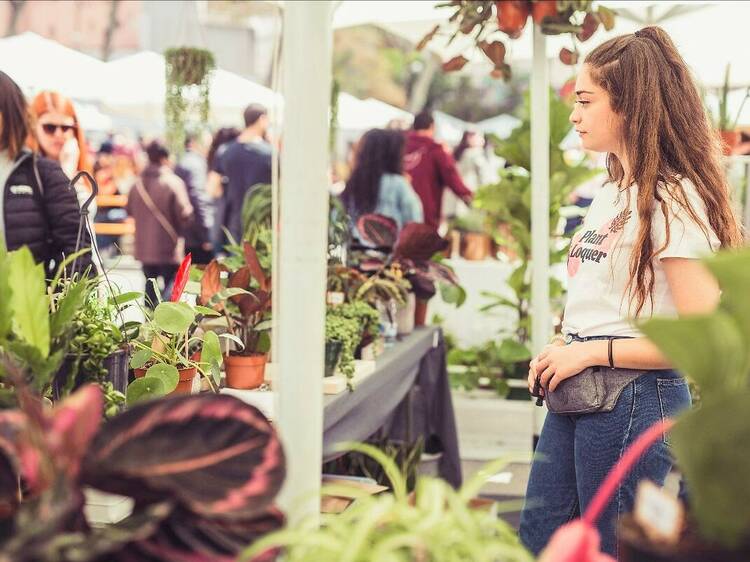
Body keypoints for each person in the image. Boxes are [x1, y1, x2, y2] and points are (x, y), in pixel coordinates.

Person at [519, 27, 742, 558]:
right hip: (582, 390)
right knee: (540, 542)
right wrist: (564, 343)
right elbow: (608, 302)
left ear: (630, 105)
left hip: (634, 397)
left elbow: (697, 339)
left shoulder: (673, 198)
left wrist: (590, 350)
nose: (574, 114)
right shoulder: (616, 188)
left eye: (585, 100)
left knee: (606, 547)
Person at [0, 72, 93, 277]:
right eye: (50, 127)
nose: (59, 134)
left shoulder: (43, 174)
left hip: (29, 303)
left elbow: (77, 249)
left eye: (67, 127)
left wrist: (59, 304)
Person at [126, 141, 193, 307]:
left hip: (144, 247)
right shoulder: (173, 182)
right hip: (168, 246)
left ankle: (148, 320)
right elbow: (185, 213)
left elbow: (129, 210)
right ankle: (165, 323)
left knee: (149, 283)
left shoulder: (137, 184)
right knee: (171, 285)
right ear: (165, 158)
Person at [341, 128, 423, 242]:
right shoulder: (398, 184)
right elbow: (415, 224)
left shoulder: (355, 184)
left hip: (356, 254)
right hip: (388, 256)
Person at [207, 105, 272, 245]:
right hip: (263, 226)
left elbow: (213, 189)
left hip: (233, 225)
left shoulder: (225, 151)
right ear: (262, 119)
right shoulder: (270, 153)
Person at [403, 111, 473, 230]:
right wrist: (469, 196)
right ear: (432, 127)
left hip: (396, 210)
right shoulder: (436, 150)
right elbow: (452, 177)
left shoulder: (398, 145)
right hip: (425, 212)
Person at [175, 132, 214, 265]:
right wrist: (206, 233)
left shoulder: (182, 161)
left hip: (187, 229)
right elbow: (199, 197)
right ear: (195, 142)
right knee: (200, 277)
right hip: (197, 232)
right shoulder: (196, 164)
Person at [443, 130, 493, 218]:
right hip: (469, 194)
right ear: (469, 138)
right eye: (479, 137)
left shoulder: (458, 152)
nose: (482, 140)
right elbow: (484, 176)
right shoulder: (475, 153)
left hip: (455, 196)